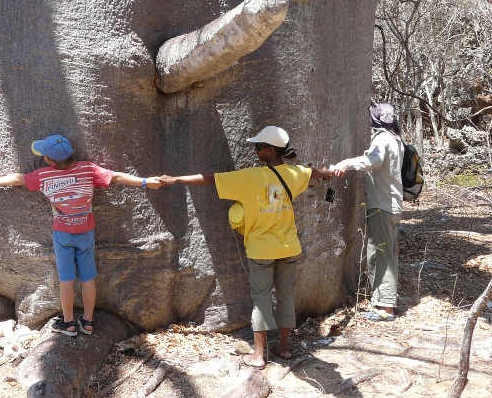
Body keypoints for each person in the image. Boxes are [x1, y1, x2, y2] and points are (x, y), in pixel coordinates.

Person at [161, 126, 331, 369]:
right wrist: (325, 173)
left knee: (261, 298)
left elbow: (211, 178)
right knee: (286, 295)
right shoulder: (295, 174)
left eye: (259, 147)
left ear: (271, 150)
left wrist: (176, 179)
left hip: (261, 250)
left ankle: (259, 355)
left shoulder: (250, 177)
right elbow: (311, 172)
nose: (255, 150)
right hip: (289, 247)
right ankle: (283, 348)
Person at [0, 135, 163, 337]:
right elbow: (116, 176)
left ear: (51, 161)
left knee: (66, 280)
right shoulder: (88, 169)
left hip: (62, 234)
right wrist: (146, 181)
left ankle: (68, 324)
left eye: (44, 155)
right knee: (88, 278)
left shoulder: (44, 176)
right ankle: (87, 322)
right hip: (86, 233)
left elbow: (19, 179)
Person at [329, 102, 405, 322]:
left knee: (379, 255)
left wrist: (346, 163)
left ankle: (385, 307)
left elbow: (374, 160)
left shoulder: (382, 138)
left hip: (382, 205)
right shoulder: (396, 138)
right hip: (392, 205)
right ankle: (387, 302)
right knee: (388, 253)